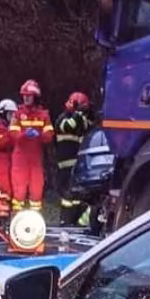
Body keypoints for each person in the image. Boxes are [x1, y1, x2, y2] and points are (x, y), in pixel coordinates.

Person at [8, 79, 53, 212]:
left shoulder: (43, 115)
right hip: (20, 157)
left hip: (36, 158)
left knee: (36, 190)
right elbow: (12, 133)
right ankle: (16, 221)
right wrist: (24, 134)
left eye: (29, 96)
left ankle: (35, 224)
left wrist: (39, 135)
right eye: (24, 95)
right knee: (19, 190)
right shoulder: (18, 114)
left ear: (35, 97)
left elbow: (49, 135)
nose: (26, 98)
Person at [55, 91, 92, 225]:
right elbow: (69, 126)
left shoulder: (80, 119)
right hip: (65, 166)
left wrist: (86, 114)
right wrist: (78, 113)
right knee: (68, 197)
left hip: (77, 165)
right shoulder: (62, 119)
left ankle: (75, 223)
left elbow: (88, 126)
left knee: (77, 196)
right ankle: (65, 222)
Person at [0, 99, 17, 215]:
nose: (13, 117)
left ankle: (10, 215)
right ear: (3, 114)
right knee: (5, 189)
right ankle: (2, 216)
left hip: (11, 157)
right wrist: (12, 131)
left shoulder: (10, 128)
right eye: (10, 114)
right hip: (1, 158)